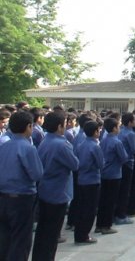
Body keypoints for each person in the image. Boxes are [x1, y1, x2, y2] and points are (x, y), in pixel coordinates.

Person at [32, 111, 79, 261]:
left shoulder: (46, 140)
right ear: (60, 126)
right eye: (65, 124)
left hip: (45, 189)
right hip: (58, 192)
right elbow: (75, 164)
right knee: (52, 233)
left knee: (43, 230)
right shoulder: (61, 144)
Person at [0, 111, 43, 261]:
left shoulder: (4, 145)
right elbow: (37, 174)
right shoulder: (28, 148)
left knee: (5, 238)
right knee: (21, 240)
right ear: (28, 127)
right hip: (21, 198)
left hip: (3, 197)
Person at [95, 117, 128, 235]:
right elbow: (124, 158)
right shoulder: (117, 142)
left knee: (103, 200)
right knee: (111, 201)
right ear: (114, 128)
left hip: (104, 173)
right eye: (118, 126)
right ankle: (106, 226)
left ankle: (99, 224)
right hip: (114, 174)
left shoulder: (103, 140)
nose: (119, 128)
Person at [73, 121, 104, 245]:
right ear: (96, 131)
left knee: (81, 208)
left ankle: (79, 233)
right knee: (90, 210)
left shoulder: (81, 145)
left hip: (81, 179)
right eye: (99, 130)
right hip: (92, 180)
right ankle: (84, 235)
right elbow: (101, 164)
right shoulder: (95, 146)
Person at [115, 113, 135, 225]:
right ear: (129, 122)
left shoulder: (120, 131)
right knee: (125, 190)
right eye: (134, 120)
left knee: (120, 190)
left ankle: (117, 214)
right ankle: (121, 215)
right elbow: (134, 149)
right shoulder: (130, 134)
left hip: (120, 163)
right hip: (128, 162)